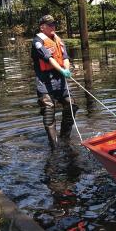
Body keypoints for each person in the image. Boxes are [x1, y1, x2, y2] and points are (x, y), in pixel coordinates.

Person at [31, 15, 78, 146]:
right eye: (50, 25)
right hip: (45, 82)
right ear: (42, 27)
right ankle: (54, 144)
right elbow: (48, 58)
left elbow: (65, 57)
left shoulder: (58, 40)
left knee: (71, 105)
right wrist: (61, 70)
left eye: (54, 24)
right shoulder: (37, 42)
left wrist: (66, 69)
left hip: (60, 81)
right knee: (48, 110)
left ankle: (65, 138)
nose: (53, 27)